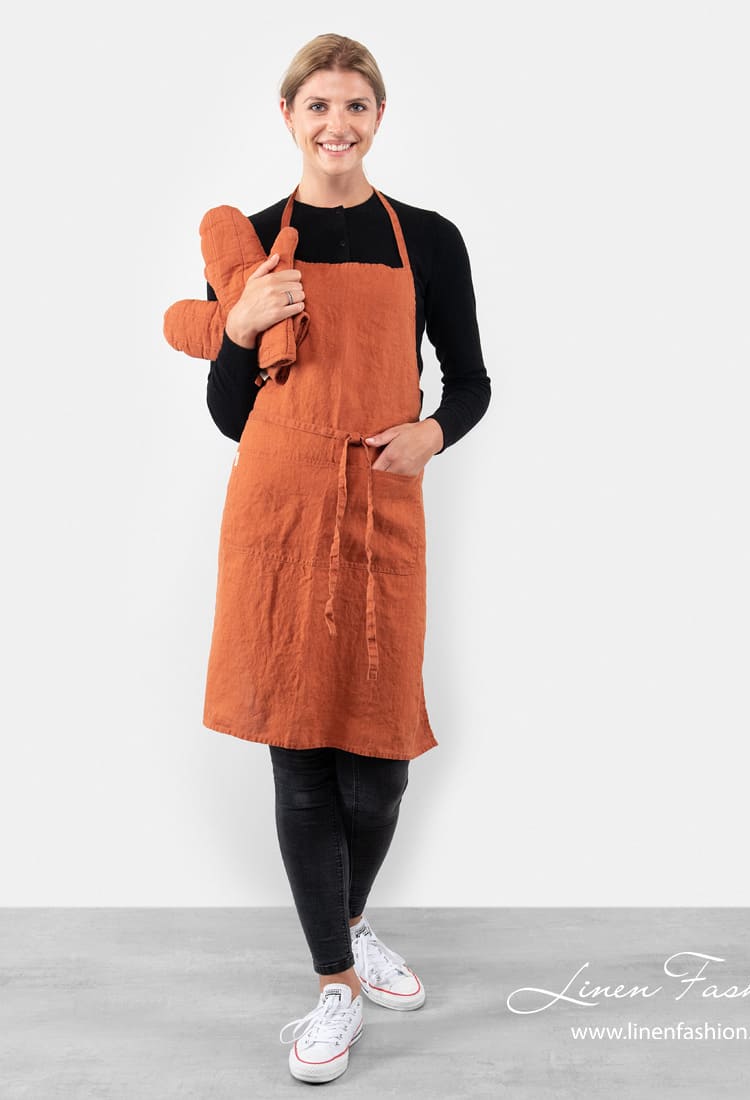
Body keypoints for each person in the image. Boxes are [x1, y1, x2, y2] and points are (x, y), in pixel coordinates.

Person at [192, 33, 490, 1084]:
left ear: (377, 116)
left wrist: (432, 433)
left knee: (378, 763)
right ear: (288, 116)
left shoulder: (429, 238)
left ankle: (351, 923)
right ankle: (333, 984)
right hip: (277, 518)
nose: (336, 123)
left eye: (354, 105)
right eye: (316, 105)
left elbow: (470, 378)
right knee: (300, 751)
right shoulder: (254, 243)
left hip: (380, 512)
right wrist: (240, 326)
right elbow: (230, 416)